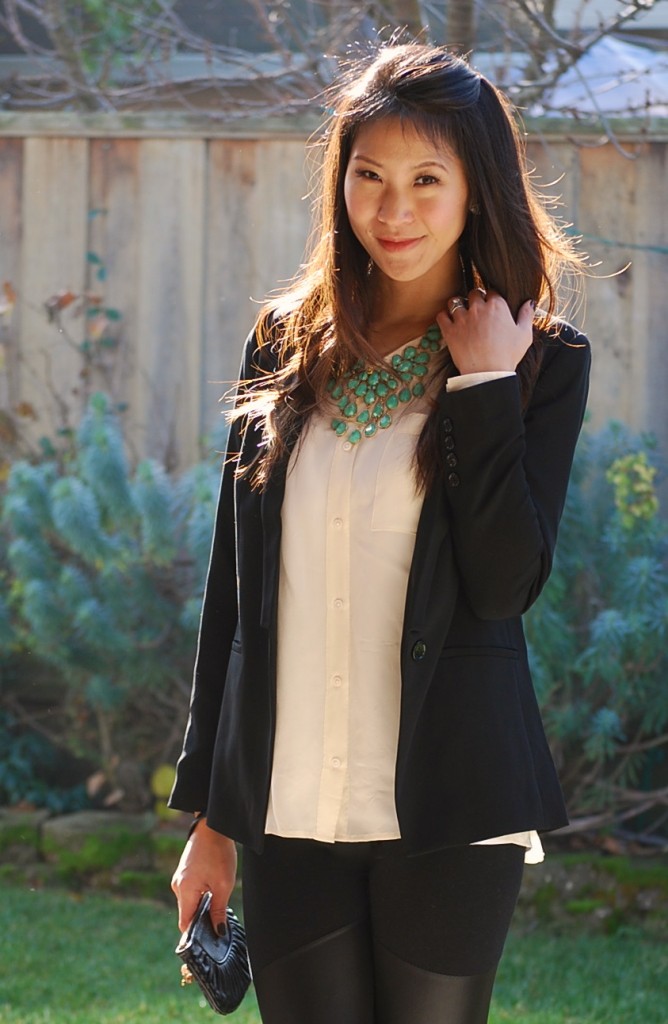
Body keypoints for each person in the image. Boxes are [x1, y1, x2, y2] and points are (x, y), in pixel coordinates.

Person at [170, 41, 591, 1024]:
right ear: (339, 181)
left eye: (424, 180)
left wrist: (483, 385)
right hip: (287, 803)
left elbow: (502, 583)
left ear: (474, 190)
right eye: (368, 176)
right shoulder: (281, 343)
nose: (391, 210)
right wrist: (211, 819)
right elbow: (232, 597)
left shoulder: (538, 360)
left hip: (448, 804)